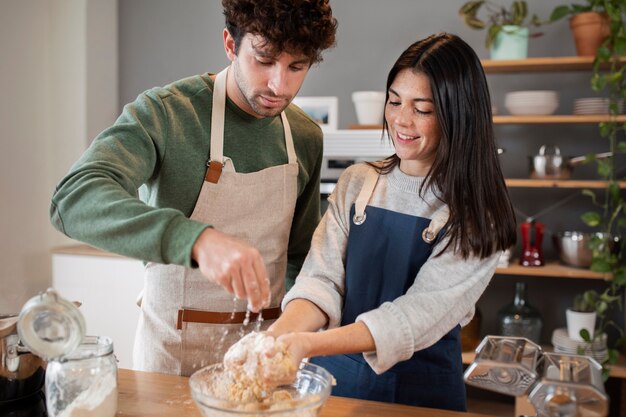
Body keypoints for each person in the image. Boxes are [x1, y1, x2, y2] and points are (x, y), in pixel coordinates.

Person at [49, 0, 337, 376]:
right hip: (173, 358)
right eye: (264, 60)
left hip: (265, 359)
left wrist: (294, 333)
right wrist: (197, 240)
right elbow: (72, 199)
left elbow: (302, 256)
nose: (279, 85)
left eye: (296, 67)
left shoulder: (304, 136)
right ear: (230, 45)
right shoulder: (167, 114)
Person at [267, 33, 517, 411]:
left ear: (458, 112)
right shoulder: (359, 182)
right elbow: (321, 280)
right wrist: (276, 338)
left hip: (424, 395)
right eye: (395, 100)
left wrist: (310, 343)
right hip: (335, 384)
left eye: (422, 108)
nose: (401, 119)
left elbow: (413, 317)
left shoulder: (476, 215)